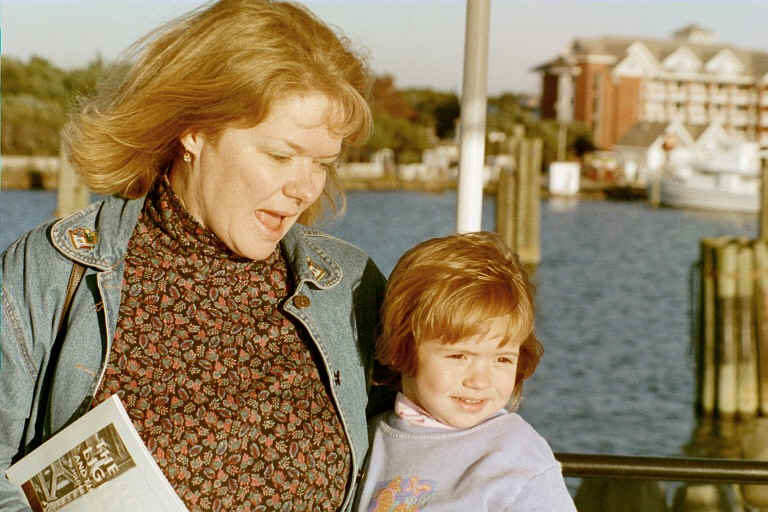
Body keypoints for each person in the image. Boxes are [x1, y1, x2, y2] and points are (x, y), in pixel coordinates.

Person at [0, 1, 391, 510]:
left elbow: (418, 451)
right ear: (195, 130)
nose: (304, 188)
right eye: (279, 155)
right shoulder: (50, 273)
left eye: (322, 162)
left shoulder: (349, 287)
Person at [354, 232, 576, 511]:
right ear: (402, 348)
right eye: (459, 356)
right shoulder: (368, 436)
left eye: (503, 360)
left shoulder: (517, 458)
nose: (480, 380)